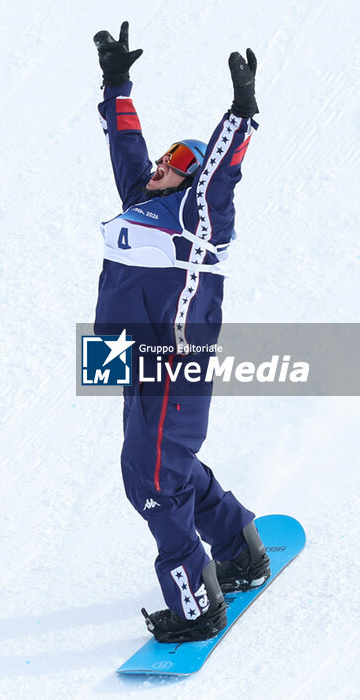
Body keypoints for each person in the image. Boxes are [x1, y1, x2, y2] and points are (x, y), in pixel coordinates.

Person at [91, 21, 270, 643]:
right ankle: (238, 546)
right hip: (126, 354)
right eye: (167, 158)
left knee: (151, 481)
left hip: (174, 361)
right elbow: (128, 148)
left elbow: (220, 172)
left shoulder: (198, 216)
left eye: (178, 163)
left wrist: (240, 112)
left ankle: (197, 608)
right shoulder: (143, 199)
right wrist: (118, 84)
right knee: (161, 466)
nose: (164, 166)